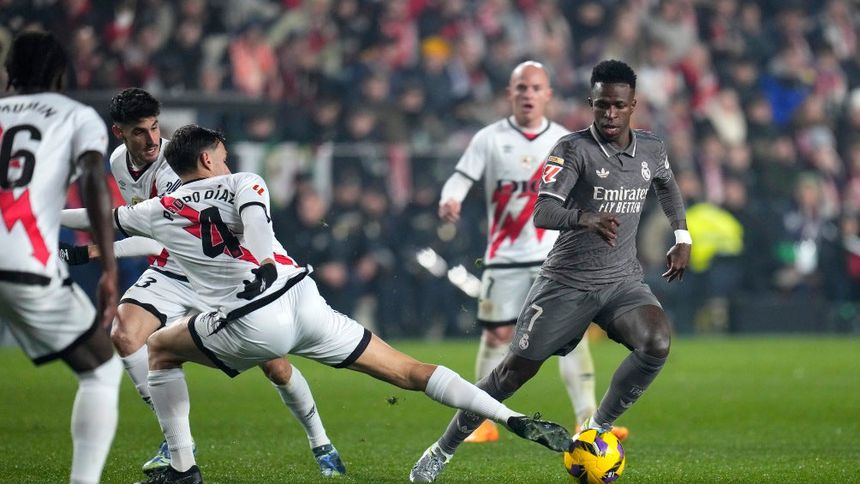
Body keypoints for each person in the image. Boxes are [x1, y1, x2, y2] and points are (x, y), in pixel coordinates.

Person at [87, 124, 572, 483]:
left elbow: (96, 218)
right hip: (303, 299)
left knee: (159, 349)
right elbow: (254, 223)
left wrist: (65, 231)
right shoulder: (244, 182)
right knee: (410, 371)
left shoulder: (158, 209)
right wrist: (264, 261)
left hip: (253, 319)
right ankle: (510, 417)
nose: (228, 163)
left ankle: (182, 466)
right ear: (208, 159)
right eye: (224, 156)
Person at [410, 59, 691, 482]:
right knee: (511, 374)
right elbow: (542, 211)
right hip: (566, 283)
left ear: (633, 104)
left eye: (618, 105)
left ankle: (597, 427)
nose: (609, 114)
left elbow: (667, 185)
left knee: (656, 343)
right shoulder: (572, 149)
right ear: (591, 103)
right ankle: (442, 449)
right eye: (601, 105)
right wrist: (584, 218)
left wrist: (682, 236)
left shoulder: (651, 148)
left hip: (621, 281)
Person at [60, 88, 347, 477]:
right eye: (139, 132)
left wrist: (93, 251)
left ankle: (320, 441)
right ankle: (177, 443)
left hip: (214, 270)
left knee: (276, 366)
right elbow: (142, 225)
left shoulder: (175, 167)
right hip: (170, 269)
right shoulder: (117, 163)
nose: (151, 139)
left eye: (155, 128)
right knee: (125, 334)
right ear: (119, 133)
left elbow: (158, 234)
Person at [437, 60, 628, 443]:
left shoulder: (565, 141)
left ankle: (588, 421)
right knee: (496, 336)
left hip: (555, 258)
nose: (528, 94)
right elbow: (461, 177)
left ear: (548, 95)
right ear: (510, 93)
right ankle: (481, 421)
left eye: (536, 88)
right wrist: (450, 198)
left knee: (571, 338)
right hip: (504, 257)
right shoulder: (489, 138)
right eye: (521, 87)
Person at [0, 31, 120, 484]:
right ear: (60, 75)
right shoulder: (76, 115)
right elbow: (92, 178)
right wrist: (109, 268)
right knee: (102, 369)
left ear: (9, 73)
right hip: (24, 264)